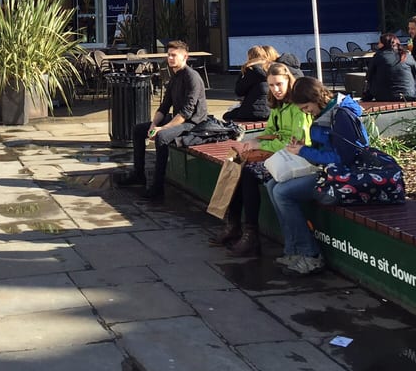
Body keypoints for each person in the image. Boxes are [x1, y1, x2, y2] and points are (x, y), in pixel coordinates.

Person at [267, 77, 369, 275]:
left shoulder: (341, 116)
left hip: (345, 177)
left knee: (282, 192)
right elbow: (326, 147)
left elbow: (342, 157)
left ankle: (310, 255)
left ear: (316, 99)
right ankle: (293, 250)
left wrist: (304, 152)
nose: (306, 112)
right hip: (329, 171)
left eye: (306, 107)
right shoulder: (326, 112)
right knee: (272, 184)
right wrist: (304, 147)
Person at [213, 62, 311, 256]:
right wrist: (255, 140)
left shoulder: (298, 107)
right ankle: (232, 224)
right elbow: (270, 132)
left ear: (288, 82)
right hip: (275, 154)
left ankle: (251, 234)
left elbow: (297, 143)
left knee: (249, 173)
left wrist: (260, 145)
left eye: (279, 84)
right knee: (235, 164)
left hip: (291, 158)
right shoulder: (277, 105)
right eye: (272, 85)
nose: (275, 90)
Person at [117, 40, 208, 202]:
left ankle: (158, 186)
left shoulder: (192, 77)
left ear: (185, 57)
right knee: (139, 129)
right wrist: (153, 125)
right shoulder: (174, 77)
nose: (170, 58)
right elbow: (164, 107)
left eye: (174, 55)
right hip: (178, 118)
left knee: (162, 137)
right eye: (169, 55)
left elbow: (186, 112)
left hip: (194, 123)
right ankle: (139, 174)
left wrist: (161, 129)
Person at [223, 45, 278, 123]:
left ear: (250, 56)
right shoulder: (272, 68)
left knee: (226, 116)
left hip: (252, 113)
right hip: (271, 111)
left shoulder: (250, 69)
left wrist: (242, 74)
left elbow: (239, 91)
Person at [363, 33, 416, 101]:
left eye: (379, 43)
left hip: (384, 96)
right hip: (409, 95)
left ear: (384, 44)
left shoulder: (379, 56)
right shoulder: (408, 56)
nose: (378, 45)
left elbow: (369, 76)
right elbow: (415, 77)